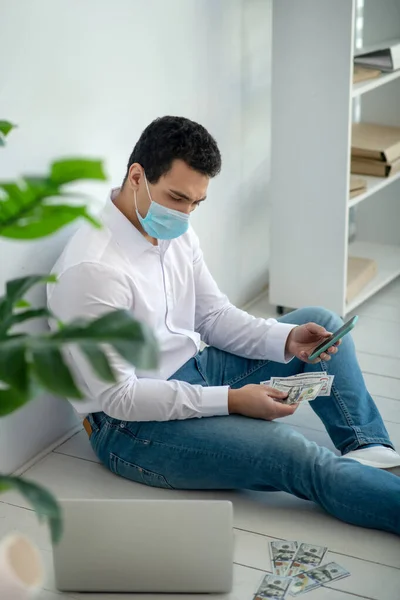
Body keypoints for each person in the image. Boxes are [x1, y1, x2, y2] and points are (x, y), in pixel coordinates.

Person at [47, 116, 400, 536]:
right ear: (136, 177)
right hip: (130, 427)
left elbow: (213, 316)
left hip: (196, 368)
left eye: (196, 203)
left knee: (319, 322)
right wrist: (232, 400)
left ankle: (374, 456)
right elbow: (122, 398)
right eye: (177, 198)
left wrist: (286, 339)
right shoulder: (93, 270)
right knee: (295, 454)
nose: (185, 214)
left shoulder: (175, 233)